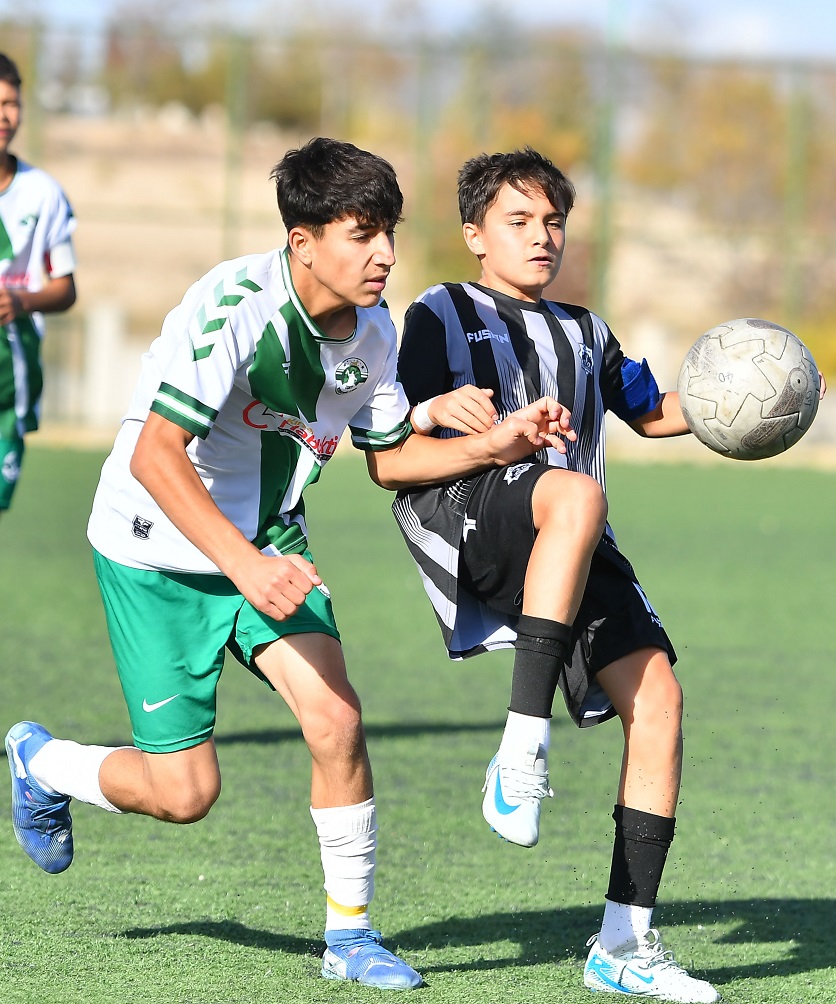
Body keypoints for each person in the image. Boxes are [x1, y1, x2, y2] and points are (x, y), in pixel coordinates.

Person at [4, 137, 572, 992]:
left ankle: (350, 937)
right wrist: (245, 567)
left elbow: (387, 456)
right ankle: (40, 763)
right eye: (361, 234)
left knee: (336, 723)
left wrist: (495, 444)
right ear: (304, 242)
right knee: (184, 793)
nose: (384, 254)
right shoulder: (235, 303)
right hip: (155, 546)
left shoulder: (375, 334)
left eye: (389, 233)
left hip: (267, 542)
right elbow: (157, 455)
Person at [392, 147, 720, 1003]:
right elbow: (389, 460)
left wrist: (766, 405)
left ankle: (625, 943)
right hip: (468, 511)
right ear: (474, 234)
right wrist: (454, 424)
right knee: (575, 492)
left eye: (553, 222)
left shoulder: (586, 329)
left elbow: (653, 416)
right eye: (519, 221)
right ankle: (521, 749)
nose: (543, 238)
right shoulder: (438, 312)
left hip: (573, 527)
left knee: (660, 701)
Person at [0, 52, 77, 515]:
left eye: (11, 104)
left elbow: (66, 289)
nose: (4, 116)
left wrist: (22, 300)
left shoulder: (43, 193)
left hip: (11, 373)